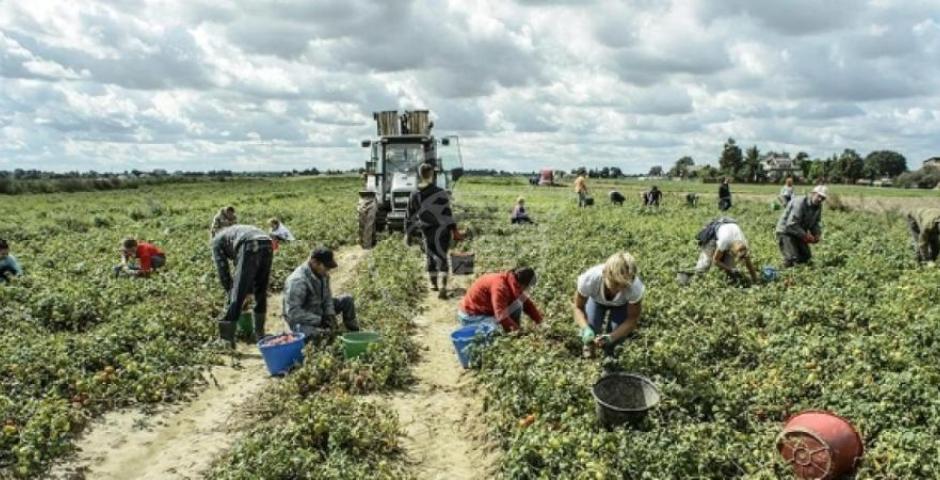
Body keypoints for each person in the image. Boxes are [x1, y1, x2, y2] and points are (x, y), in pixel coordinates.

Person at [573, 252, 645, 357]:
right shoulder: (590, 279)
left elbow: (632, 319)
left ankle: (610, 358)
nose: (618, 289)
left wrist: (612, 337)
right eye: (615, 284)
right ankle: (589, 350)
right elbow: (578, 307)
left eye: (623, 286)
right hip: (596, 301)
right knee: (592, 326)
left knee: (617, 335)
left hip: (621, 305)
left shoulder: (634, 288)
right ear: (605, 273)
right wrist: (585, 328)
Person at [211, 225, 273, 347]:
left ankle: (226, 339)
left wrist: (230, 292)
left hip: (249, 243)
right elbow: (245, 268)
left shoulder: (216, 241)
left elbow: (223, 270)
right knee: (260, 289)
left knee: (237, 292)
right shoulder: (232, 233)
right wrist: (248, 291)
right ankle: (259, 334)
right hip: (267, 242)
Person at [283, 247, 359, 343]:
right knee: (320, 336)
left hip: (318, 310)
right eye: (326, 267)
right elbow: (293, 313)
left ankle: (354, 334)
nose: (328, 270)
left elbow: (327, 298)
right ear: (314, 262)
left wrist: (330, 315)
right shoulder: (297, 281)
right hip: (301, 321)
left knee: (347, 300)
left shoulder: (322, 275)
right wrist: (320, 320)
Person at [408, 163, 461, 299]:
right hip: (442, 229)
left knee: (430, 257)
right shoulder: (440, 192)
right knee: (442, 257)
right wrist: (454, 230)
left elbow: (409, 216)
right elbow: (447, 213)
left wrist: (408, 233)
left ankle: (433, 284)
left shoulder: (414, 195)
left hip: (426, 230)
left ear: (420, 175)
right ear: (431, 175)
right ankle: (443, 286)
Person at [457, 267, 542, 332]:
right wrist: (519, 332)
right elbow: (501, 317)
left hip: (485, 311)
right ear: (522, 285)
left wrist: (540, 322)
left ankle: (511, 332)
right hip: (471, 315)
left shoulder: (512, 281)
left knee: (518, 305)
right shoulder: (500, 287)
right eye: (527, 287)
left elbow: (527, 304)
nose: (526, 290)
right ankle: (509, 335)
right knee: (496, 329)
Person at [775, 185, 828, 267]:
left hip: (799, 233)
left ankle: (801, 275)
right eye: (819, 196)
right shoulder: (800, 202)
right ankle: (784, 274)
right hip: (785, 231)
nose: (820, 199)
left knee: (806, 257)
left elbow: (815, 223)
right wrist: (806, 236)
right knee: (792, 258)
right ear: (813, 193)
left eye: (823, 198)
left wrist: (817, 234)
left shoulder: (818, 206)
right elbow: (791, 224)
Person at [694, 218, 758, 284]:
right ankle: (696, 279)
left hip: (729, 231)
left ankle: (729, 282)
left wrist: (756, 280)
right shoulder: (724, 241)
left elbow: (749, 264)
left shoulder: (744, 244)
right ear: (731, 251)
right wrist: (730, 269)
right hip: (714, 234)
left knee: (730, 267)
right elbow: (715, 260)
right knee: (705, 263)